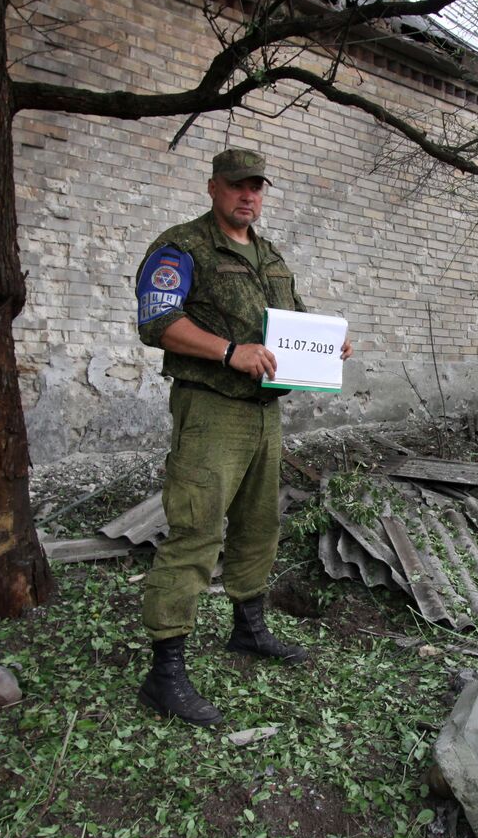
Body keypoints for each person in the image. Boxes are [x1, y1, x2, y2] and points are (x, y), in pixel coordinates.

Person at [133, 147, 352, 726]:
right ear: (213, 188)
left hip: (265, 414)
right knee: (195, 531)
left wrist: (329, 345)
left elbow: (294, 317)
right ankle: (165, 672)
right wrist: (230, 352)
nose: (247, 196)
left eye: (256, 186)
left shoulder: (271, 254)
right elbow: (157, 323)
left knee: (260, 523)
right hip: (211, 410)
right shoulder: (182, 247)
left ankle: (249, 630)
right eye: (236, 186)